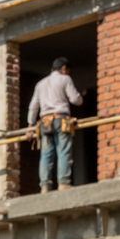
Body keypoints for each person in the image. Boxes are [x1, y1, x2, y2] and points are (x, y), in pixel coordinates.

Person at [26, 57, 83, 193]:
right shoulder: (65, 79)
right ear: (64, 68)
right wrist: (82, 97)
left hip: (44, 122)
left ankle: (44, 186)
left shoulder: (41, 84)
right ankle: (63, 183)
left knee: (46, 154)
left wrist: (30, 126)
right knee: (63, 151)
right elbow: (76, 100)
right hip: (60, 120)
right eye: (67, 71)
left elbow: (33, 106)